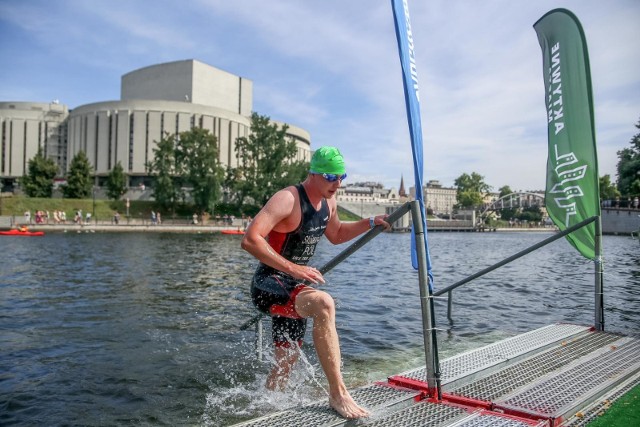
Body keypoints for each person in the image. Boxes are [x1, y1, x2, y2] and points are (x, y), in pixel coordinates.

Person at [241, 146, 389, 419]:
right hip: (268, 284)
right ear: (313, 174)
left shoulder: (329, 202)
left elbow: (337, 233)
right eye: (331, 177)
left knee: (286, 363)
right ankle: (338, 394)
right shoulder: (288, 199)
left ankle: (262, 409)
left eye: (341, 176)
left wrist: (370, 222)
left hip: (295, 288)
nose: (338, 183)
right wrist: (294, 268)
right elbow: (250, 239)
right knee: (323, 303)